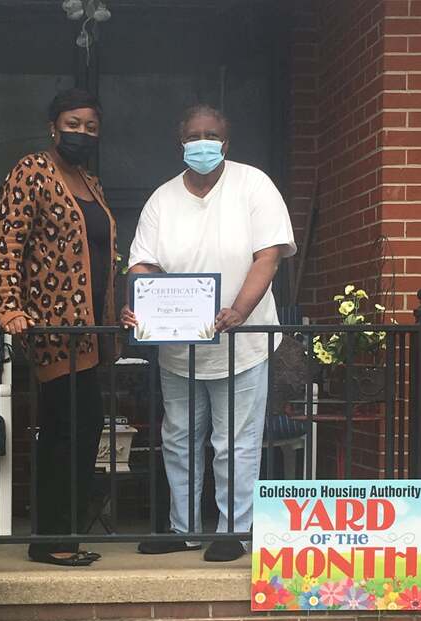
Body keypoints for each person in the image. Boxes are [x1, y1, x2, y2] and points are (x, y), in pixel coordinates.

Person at [122, 105, 296, 562]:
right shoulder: (162, 199)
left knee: (234, 442)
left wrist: (239, 310)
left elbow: (269, 255)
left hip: (243, 342)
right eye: (194, 135)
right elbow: (143, 262)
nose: (203, 142)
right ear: (180, 141)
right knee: (179, 439)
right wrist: (142, 303)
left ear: (226, 140)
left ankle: (233, 531)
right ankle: (184, 528)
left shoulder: (253, 184)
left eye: (211, 134)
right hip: (180, 346)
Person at [0, 89, 117, 566]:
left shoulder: (90, 181)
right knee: (64, 429)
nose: (81, 132)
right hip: (53, 326)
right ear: (53, 125)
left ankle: (67, 534)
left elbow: (103, 253)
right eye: (73, 123)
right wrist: (9, 306)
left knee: (85, 429)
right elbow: (8, 243)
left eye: (90, 126)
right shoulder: (31, 171)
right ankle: (51, 540)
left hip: (92, 330)